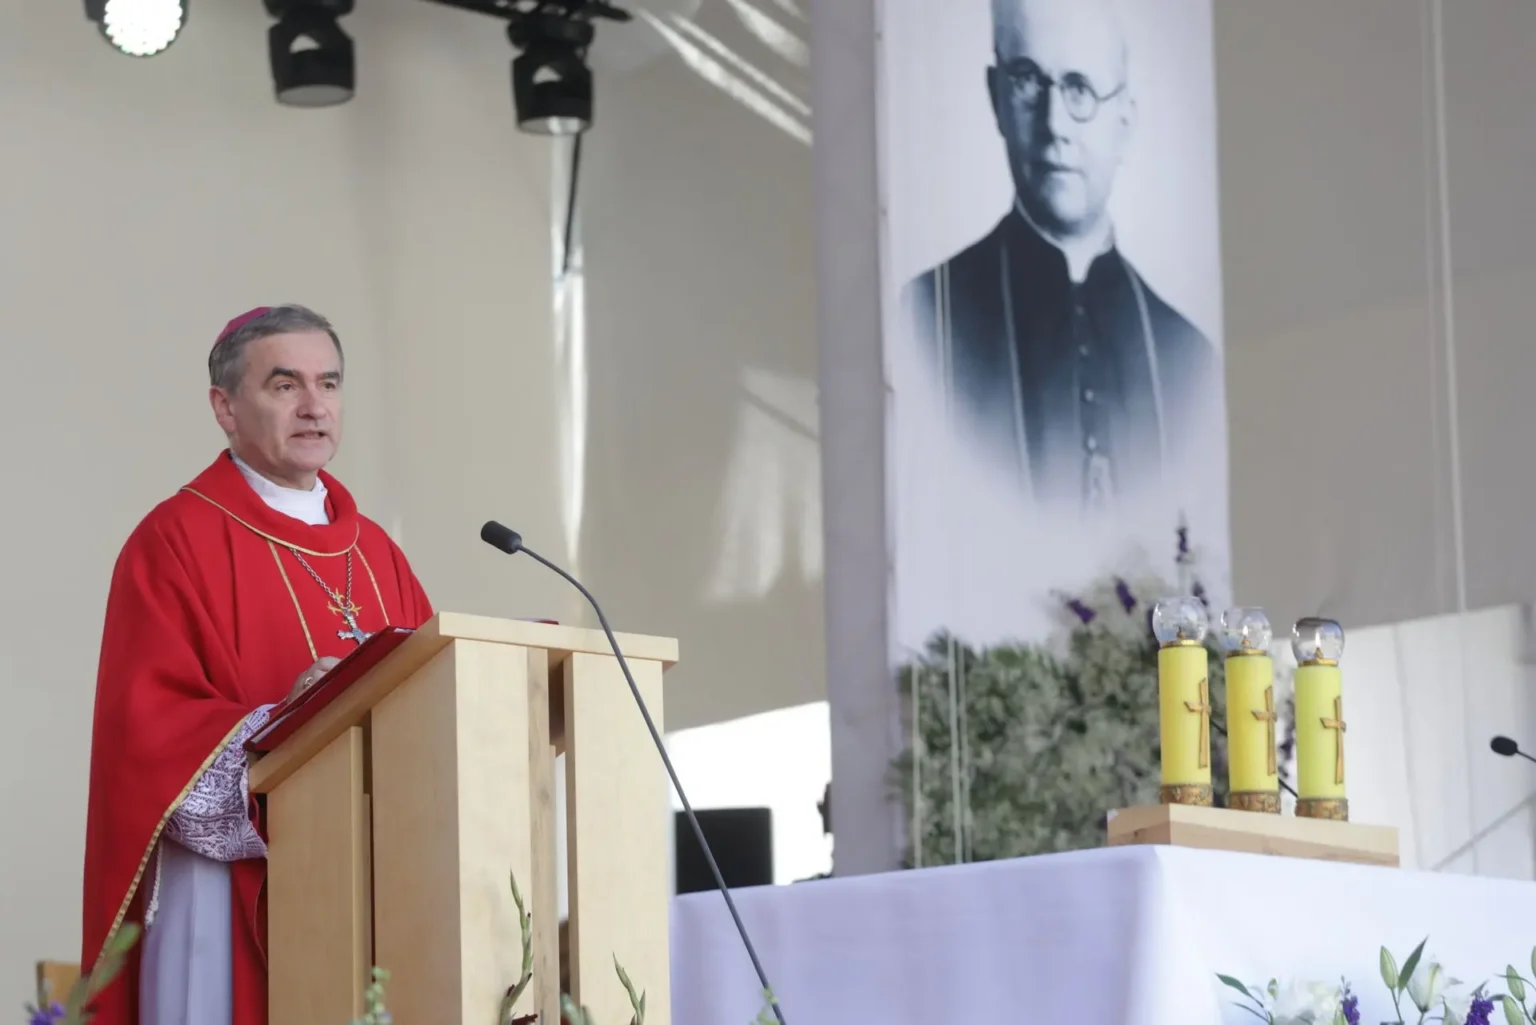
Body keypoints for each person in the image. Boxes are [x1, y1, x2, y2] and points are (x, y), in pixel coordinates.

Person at [79, 305, 435, 1025]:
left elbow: (432, 695)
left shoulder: (377, 551)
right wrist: (289, 722)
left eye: (328, 384)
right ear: (225, 408)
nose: (314, 406)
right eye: (285, 384)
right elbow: (145, 731)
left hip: (367, 882)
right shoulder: (174, 538)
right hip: (223, 892)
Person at [902, 0, 1221, 517]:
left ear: (1125, 123)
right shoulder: (923, 318)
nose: (1055, 125)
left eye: (1079, 89)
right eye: (1028, 81)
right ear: (996, 98)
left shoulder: (1190, 356)